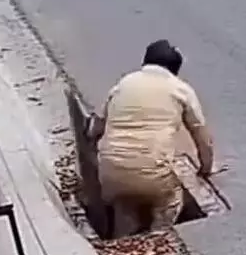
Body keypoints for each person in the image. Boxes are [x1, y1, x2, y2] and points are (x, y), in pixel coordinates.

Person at [90, 39, 215, 237]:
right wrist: (205, 168)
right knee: (170, 200)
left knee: (124, 207)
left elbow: (96, 127)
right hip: (153, 176)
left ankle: (122, 241)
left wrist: (94, 142)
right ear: (175, 69)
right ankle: (157, 238)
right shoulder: (180, 89)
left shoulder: (123, 84)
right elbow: (202, 138)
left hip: (112, 174)